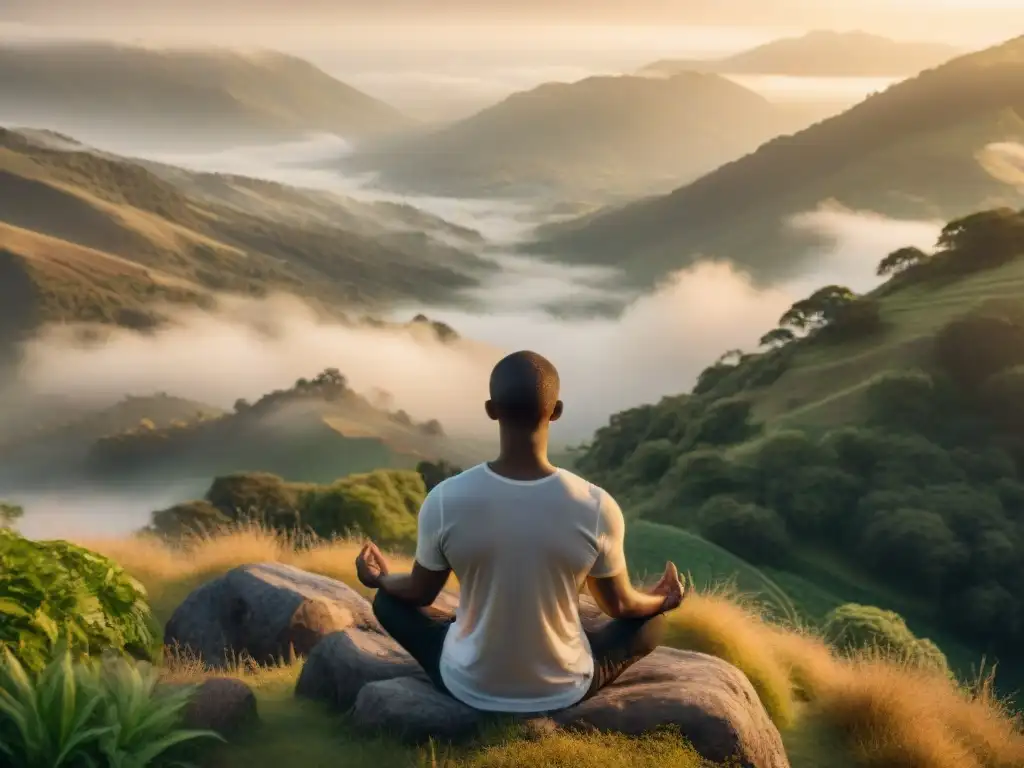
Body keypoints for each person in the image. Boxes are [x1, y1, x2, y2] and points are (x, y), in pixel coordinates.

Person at [355, 350, 688, 713]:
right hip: (563, 688)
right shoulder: (596, 504)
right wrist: (662, 600)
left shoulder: (445, 498)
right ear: (556, 411)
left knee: (388, 603)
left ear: (491, 409)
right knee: (650, 624)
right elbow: (620, 605)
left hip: (467, 685)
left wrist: (380, 580)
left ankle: (466, 641)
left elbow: (419, 593)